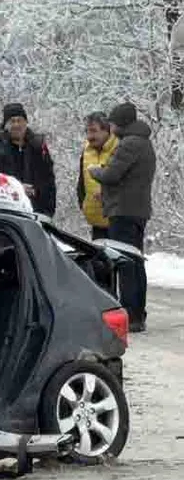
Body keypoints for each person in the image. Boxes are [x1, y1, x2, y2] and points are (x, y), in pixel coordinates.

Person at [88, 102, 156, 332]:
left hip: (123, 211)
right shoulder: (145, 143)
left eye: (113, 122)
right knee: (136, 263)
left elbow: (111, 174)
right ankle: (138, 313)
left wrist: (95, 171)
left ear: (121, 123)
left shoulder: (128, 144)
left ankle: (130, 315)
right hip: (138, 211)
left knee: (125, 264)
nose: (111, 126)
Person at [0, 103, 56, 216]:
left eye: (19, 120)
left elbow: (48, 180)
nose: (16, 125)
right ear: (5, 125)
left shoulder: (38, 146)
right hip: (7, 212)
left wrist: (47, 210)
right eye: (12, 121)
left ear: (26, 122)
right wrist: (17, 188)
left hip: (37, 211)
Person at [75, 112, 118, 240]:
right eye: (87, 132)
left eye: (94, 131)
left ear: (107, 130)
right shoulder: (87, 152)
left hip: (120, 223)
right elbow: (81, 182)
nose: (89, 136)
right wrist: (84, 204)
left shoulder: (120, 149)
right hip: (96, 222)